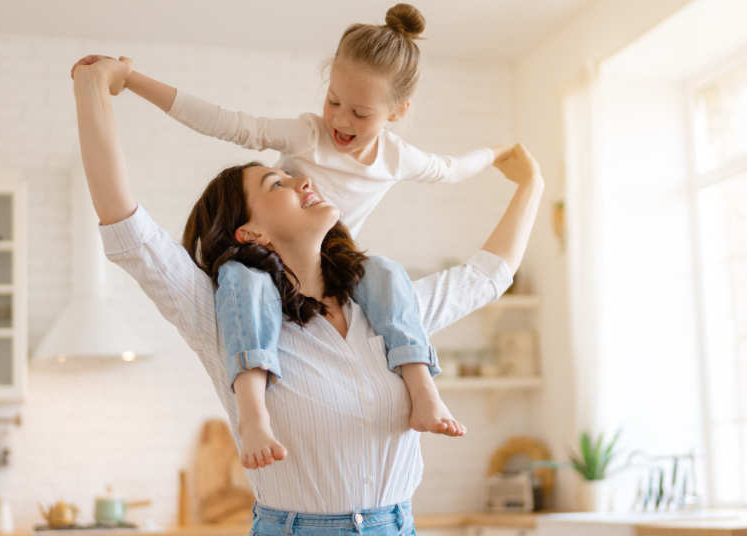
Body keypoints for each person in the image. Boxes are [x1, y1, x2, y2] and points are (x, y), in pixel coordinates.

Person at [74, 48, 543, 533]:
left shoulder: (384, 309)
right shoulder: (227, 317)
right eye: (276, 182)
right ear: (251, 233)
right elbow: (129, 230)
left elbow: (484, 278)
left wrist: (531, 184)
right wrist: (95, 86)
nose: (301, 179)